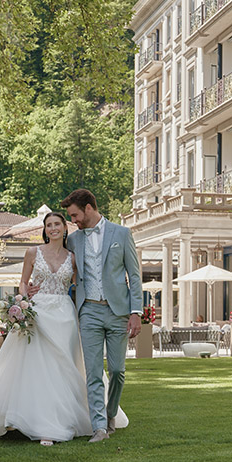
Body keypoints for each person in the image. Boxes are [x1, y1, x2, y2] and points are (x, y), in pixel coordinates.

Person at [0, 211, 128, 446]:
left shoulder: (73, 257)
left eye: (57, 224)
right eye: (48, 225)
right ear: (44, 230)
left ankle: (65, 419)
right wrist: (24, 298)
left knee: (63, 367)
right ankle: (34, 421)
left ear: (65, 228)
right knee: (36, 369)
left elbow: (83, 283)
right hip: (38, 313)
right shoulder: (33, 252)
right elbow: (23, 282)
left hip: (64, 315)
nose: (53, 228)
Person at [62, 188, 142, 444]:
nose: (72, 221)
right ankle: (98, 427)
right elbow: (59, 266)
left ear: (88, 208)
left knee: (117, 370)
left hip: (118, 310)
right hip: (89, 312)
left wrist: (136, 312)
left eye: (74, 215)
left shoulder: (122, 233)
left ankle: (110, 416)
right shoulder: (73, 240)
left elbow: (135, 275)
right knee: (94, 372)